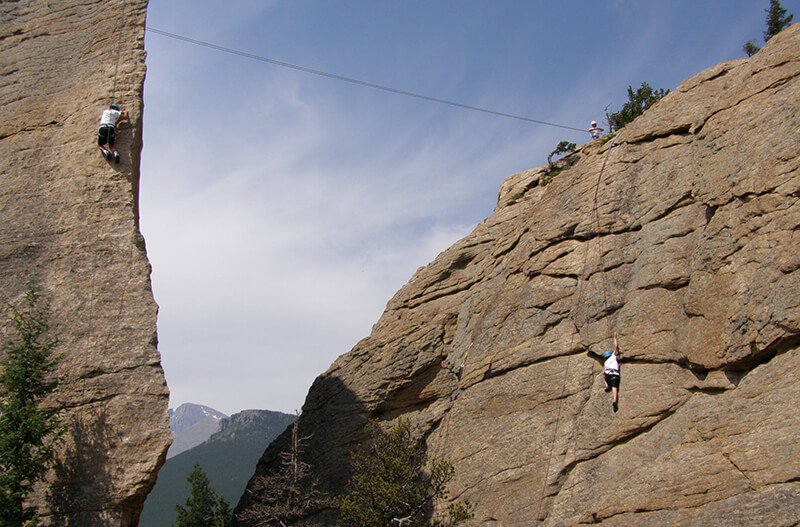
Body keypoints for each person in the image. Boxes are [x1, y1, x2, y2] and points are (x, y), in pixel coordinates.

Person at [602, 332, 620, 412]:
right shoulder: (613, 356)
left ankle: (606, 386)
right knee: (615, 390)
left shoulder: (606, 363)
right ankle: (614, 401)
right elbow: (616, 346)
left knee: (604, 375)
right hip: (615, 375)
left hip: (608, 375)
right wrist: (615, 337)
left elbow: (605, 372)